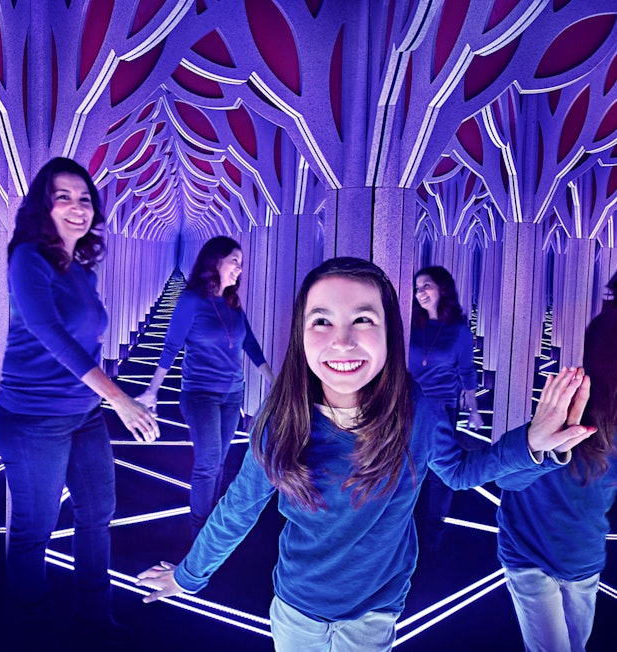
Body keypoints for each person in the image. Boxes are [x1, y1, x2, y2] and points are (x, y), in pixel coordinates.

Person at [136, 257, 594, 651]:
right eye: (322, 321)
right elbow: (237, 510)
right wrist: (187, 577)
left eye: (363, 319)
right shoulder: (282, 420)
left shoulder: (416, 411)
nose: (343, 340)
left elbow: (458, 472)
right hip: (297, 606)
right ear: (301, 334)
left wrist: (532, 445)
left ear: (390, 332)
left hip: (374, 612)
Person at [0, 157, 160, 646]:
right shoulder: (27, 257)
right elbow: (49, 332)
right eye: (63, 197)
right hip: (32, 418)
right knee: (33, 530)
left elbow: (88, 341)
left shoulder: (82, 270)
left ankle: (94, 618)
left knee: (97, 513)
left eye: (84, 199)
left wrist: (102, 399)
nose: (76, 208)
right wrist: (121, 400)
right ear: (43, 207)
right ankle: (32, 629)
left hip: (81, 415)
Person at [496, 270, 617, 652]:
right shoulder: (566, 403)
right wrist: (537, 446)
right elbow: (509, 479)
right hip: (530, 551)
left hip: (583, 555)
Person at [136, 236, 273, 538]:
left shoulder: (233, 303)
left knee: (221, 462)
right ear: (215, 261)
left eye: (241, 261)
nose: (240, 267)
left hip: (231, 393)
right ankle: (200, 532)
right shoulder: (191, 301)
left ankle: (211, 519)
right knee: (208, 462)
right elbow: (171, 345)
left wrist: (272, 379)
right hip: (200, 394)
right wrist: (152, 389)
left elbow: (249, 343)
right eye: (234, 260)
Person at [409, 265, 483, 529]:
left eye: (426, 285)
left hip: (443, 407)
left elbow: (467, 370)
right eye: (417, 288)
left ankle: (435, 526)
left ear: (442, 288)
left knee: (440, 469)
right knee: (409, 463)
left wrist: (474, 410)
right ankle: (407, 519)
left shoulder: (459, 330)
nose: (420, 292)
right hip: (410, 405)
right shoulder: (410, 325)